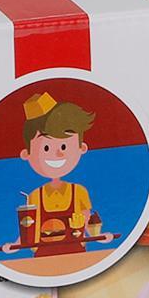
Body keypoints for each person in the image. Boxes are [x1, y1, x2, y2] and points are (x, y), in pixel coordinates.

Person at [18, 91, 96, 242]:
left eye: (64, 147)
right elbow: (29, 228)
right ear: (26, 154)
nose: (58, 154)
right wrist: (15, 245)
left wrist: (99, 237)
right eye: (46, 148)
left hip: (77, 248)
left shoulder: (79, 192)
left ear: (82, 148)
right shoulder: (34, 196)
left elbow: (88, 225)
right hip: (41, 251)